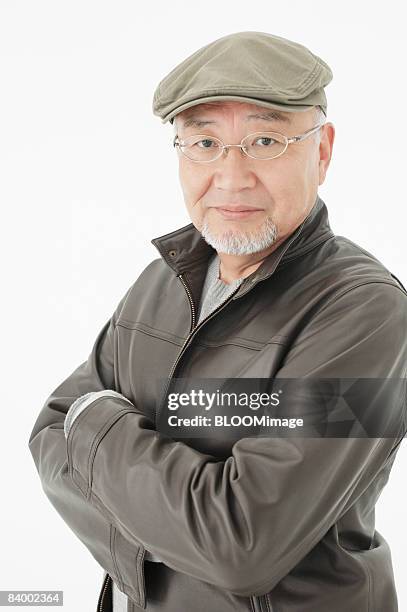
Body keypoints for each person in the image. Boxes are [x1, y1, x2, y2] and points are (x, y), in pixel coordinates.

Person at [28, 31, 407, 612]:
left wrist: (103, 436)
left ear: (323, 150)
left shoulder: (367, 313)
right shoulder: (162, 283)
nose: (232, 177)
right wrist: (179, 522)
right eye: (204, 142)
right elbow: (50, 431)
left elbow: (241, 547)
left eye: (265, 141)